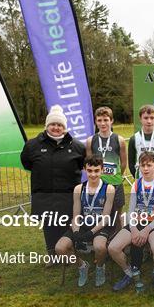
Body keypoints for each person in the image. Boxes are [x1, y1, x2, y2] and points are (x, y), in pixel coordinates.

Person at [20, 105, 85, 266]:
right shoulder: (32, 145)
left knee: (66, 223)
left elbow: (83, 164)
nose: (56, 128)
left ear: (65, 127)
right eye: (53, 124)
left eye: (60, 125)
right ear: (47, 125)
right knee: (49, 224)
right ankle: (52, 254)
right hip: (44, 194)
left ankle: (67, 252)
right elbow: (27, 163)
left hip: (68, 195)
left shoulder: (77, 146)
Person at [109, 152, 154, 292]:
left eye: (149, 165)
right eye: (143, 165)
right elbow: (130, 211)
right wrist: (134, 229)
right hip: (136, 223)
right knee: (113, 248)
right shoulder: (136, 184)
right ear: (139, 167)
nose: (146, 168)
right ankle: (130, 272)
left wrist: (147, 230)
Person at [54, 155, 115, 287]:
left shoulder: (109, 188)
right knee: (59, 248)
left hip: (99, 226)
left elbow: (105, 217)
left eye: (96, 171)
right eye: (90, 171)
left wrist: (91, 233)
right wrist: (76, 233)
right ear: (85, 170)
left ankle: (99, 267)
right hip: (82, 225)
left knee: (100, 247)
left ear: (102, 170)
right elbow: (75, 215)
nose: (93, 174)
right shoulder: (78, 189)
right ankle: (82, 265)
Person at [86, 107, 127, 228]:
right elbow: (89, 163)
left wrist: (118, 175)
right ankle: (100, 238)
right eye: (99, 120)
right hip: (98, 184)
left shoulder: (120, 140)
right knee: (98, 214)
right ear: (95, 122)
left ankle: (119, 241)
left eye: (106, 120)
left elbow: (123, 162)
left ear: (111, 121)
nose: (103, 123)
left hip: (115, 183)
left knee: (117, 215)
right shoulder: (90, 141)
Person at [128, 105, 154, 179]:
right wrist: (136, 175)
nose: (149, 121)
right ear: (140, 119)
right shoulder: (134, 138)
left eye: (152, 118)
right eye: (145, 118)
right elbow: (131, 163)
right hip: (141, 177)